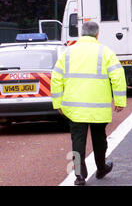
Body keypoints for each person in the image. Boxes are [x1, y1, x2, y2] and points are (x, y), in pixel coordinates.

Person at [51, 21, 127, 185]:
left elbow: (56, 77)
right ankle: (101, 168)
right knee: (99, 139)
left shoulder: (68, 53)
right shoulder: (105, 52)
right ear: (97, 34)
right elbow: (118, 76)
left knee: (77, 140)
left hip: (74, 107)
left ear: (81, 33)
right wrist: (120, 100)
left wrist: (57, 103)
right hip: (98, 107)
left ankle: (79, 176)